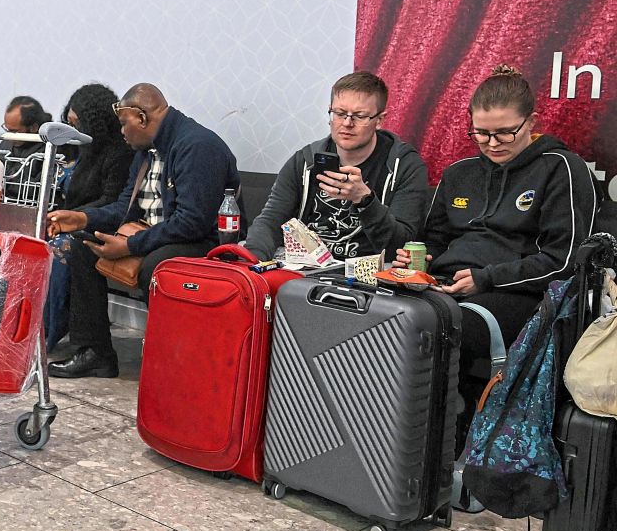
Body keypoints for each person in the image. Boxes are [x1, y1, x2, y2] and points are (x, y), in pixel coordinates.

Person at [392, 65, 597, 453]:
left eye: (505, 132)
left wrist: (487, 278)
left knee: (435, 328)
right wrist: (418, 257)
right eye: (481, 133)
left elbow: (564, 261)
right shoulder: (459, 172)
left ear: (531, 122)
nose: (492, 142)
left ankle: (436, 444)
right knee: (380, 313)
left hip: (517, 295)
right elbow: (434, 239)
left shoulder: (562, 168)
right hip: (444, 285)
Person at [46, 83, 241, 378]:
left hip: (205, 241)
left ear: (142, 117)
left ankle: (169, 361)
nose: (121, 132)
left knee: (156, 267)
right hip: (155, 234)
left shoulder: (196, 146)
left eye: (124, 124)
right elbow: (123, 209)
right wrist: (82, 219)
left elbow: (193, 222)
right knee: (82, 247)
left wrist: (129, 246)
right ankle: (95, 352)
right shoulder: (146, 150)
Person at [245, 71, 429, 261]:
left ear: (379, 120)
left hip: (368, 277)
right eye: (339, 114)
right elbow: (269, 221)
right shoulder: (305, 161)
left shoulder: (404, 166)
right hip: (308, 271)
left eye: (359, 116)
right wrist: (251, 264)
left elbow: (402, 248)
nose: (347, 123)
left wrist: (364, 200)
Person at [44, 84, 135, 351]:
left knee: (60, 248)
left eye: (78, 124)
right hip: (75, 220)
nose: (73, 131)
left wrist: (76, 216)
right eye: (69, 123)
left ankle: (47, 333)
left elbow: (113, 202)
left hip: (102, 224)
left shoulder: (120, 152)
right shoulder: (81, 150)